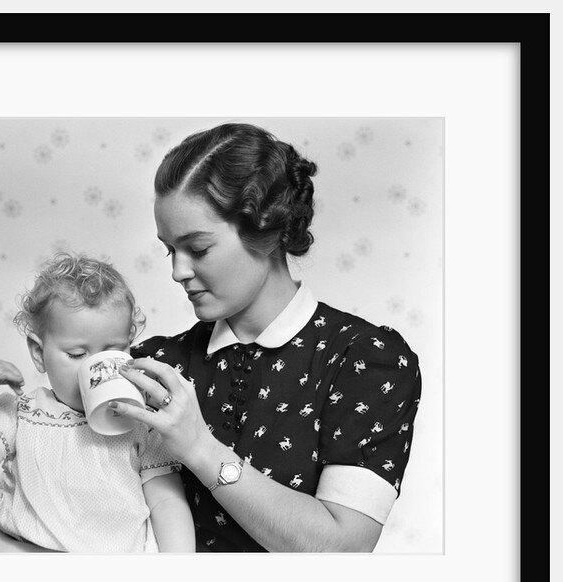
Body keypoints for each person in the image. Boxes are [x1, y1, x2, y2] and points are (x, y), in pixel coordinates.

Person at [110, 122, 423, 552]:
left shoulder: (365, 360)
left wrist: (200, 448)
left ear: (267, 230)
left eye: (197, 249)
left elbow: (343, 548)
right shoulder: (156, 363)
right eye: (170, 250)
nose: (178, 271)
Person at [0, 252, 195, 553]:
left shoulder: (142, 423)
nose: (97, 367)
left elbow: (166, 500)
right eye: (77, 355)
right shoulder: (24, 415)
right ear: (39, 353)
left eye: (113, 351)